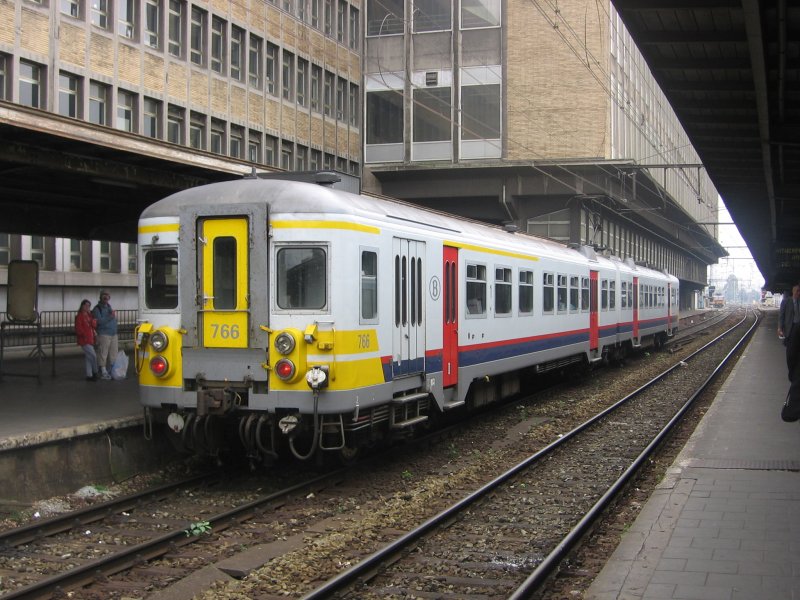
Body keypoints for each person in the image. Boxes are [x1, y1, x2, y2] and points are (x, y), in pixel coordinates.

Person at [92, 290, 118, 380]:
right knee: (103, 353)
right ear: (100, 297)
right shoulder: (97, 309)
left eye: (107, 295)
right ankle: (103, 370)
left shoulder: (109, 307)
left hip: (113, 333)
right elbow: (99, 321)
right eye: (104, 295)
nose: (106, 297)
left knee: (113, 353)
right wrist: (110, 317)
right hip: (103, 334)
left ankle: (112, 370)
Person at [778, 284, 800, 382]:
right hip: (791, 330)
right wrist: (780, 328)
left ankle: (796, 374)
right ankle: (792, 375)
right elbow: (781, 316)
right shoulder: (786, 301)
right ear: (793, 292)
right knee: (790, 354)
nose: (799, 293)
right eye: (797, 291)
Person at [75, 299, 98, 382]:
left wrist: (93, 322)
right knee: (93, 356)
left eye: (89, 306)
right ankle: (95, 371)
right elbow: (78, 328)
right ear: (82, 306)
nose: (88, 307)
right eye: (86, 305)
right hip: (85, 339)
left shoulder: (89, 315)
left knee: (88, 357)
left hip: (90, 338)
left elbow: (93, 326)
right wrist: (83, 334)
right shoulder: (80, 316)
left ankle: (89, 374)